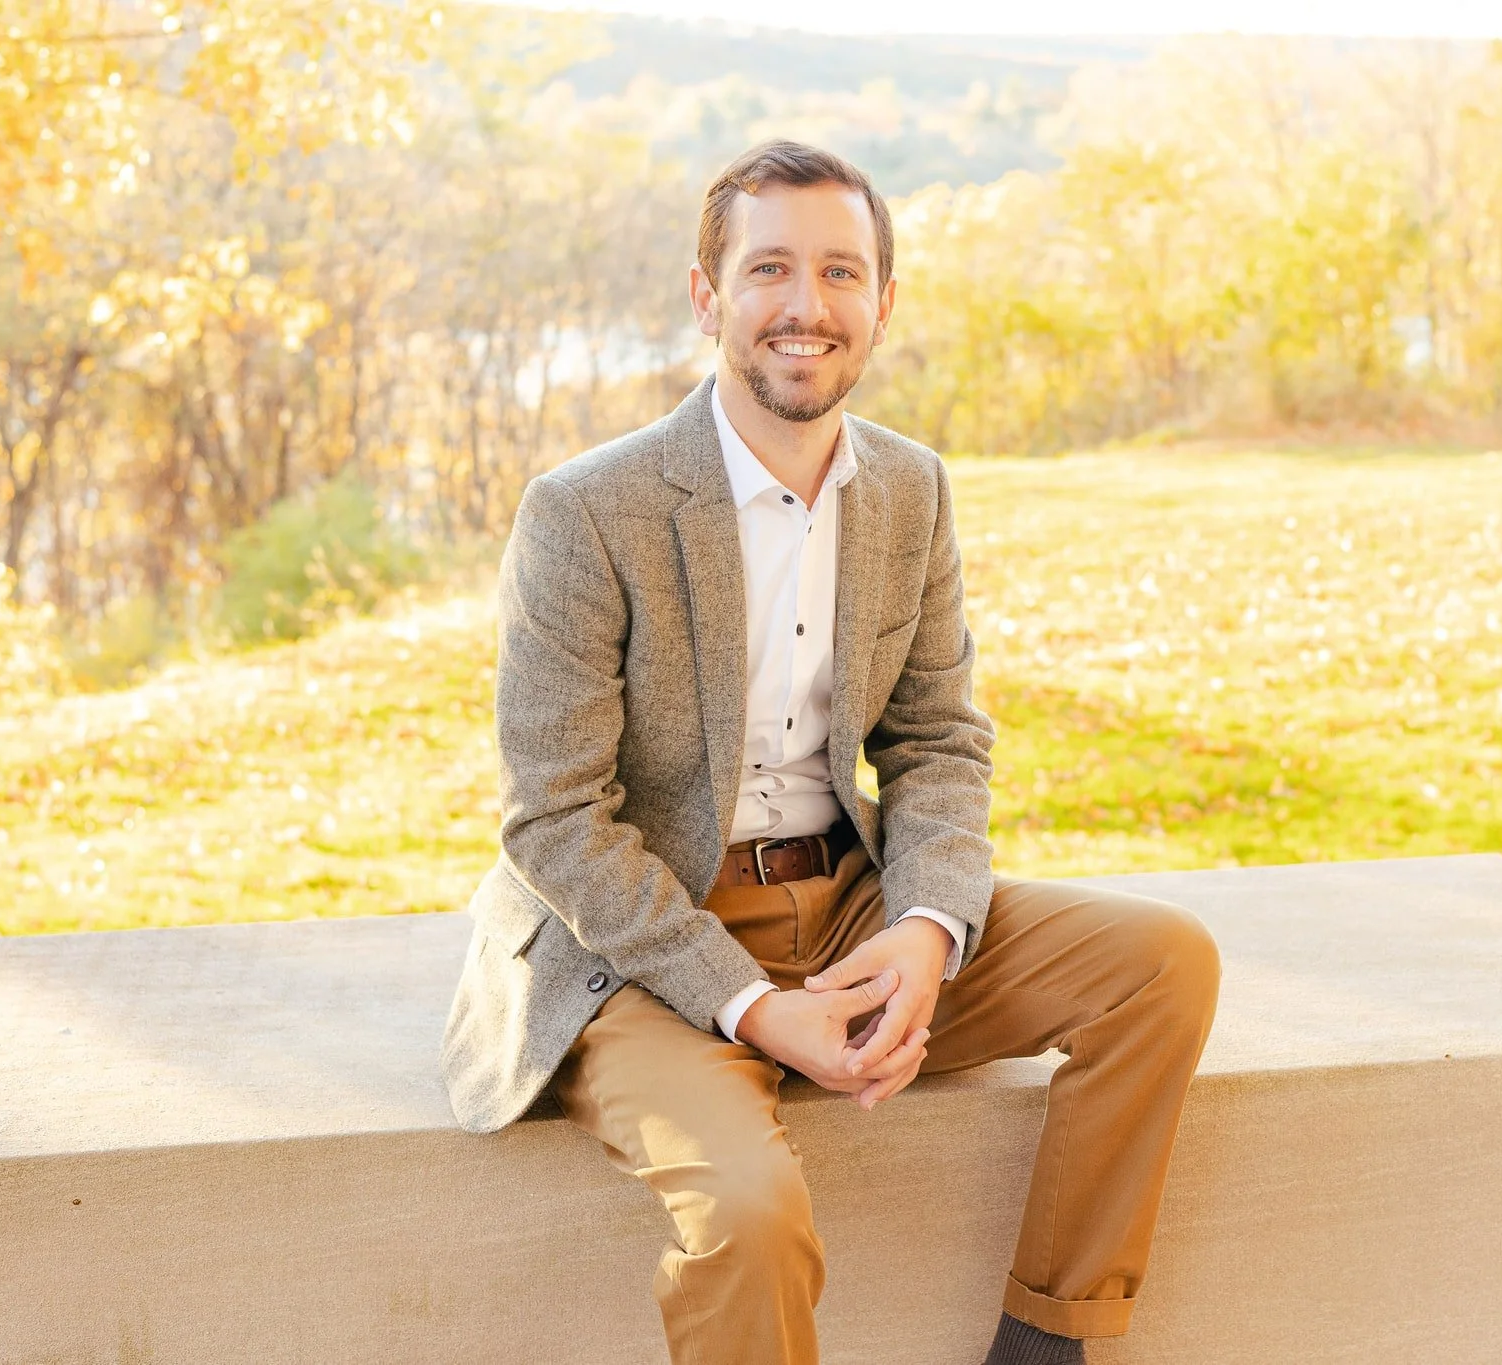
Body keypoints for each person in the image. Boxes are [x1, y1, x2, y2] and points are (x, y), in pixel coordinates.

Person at [442, 139, 1221, 1365]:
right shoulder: (588, 511)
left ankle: (1051, 1342)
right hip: (643, 950)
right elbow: (552, 821)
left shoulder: (909, 490)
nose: (805, 307)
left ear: (881, 304)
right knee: (749, 1219)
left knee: (1159, 964)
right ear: (708, 298)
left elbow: (936, 741)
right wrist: (752, 1009)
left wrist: (925, 928)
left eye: (840, 274)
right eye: (769, 270)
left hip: (851, 908)